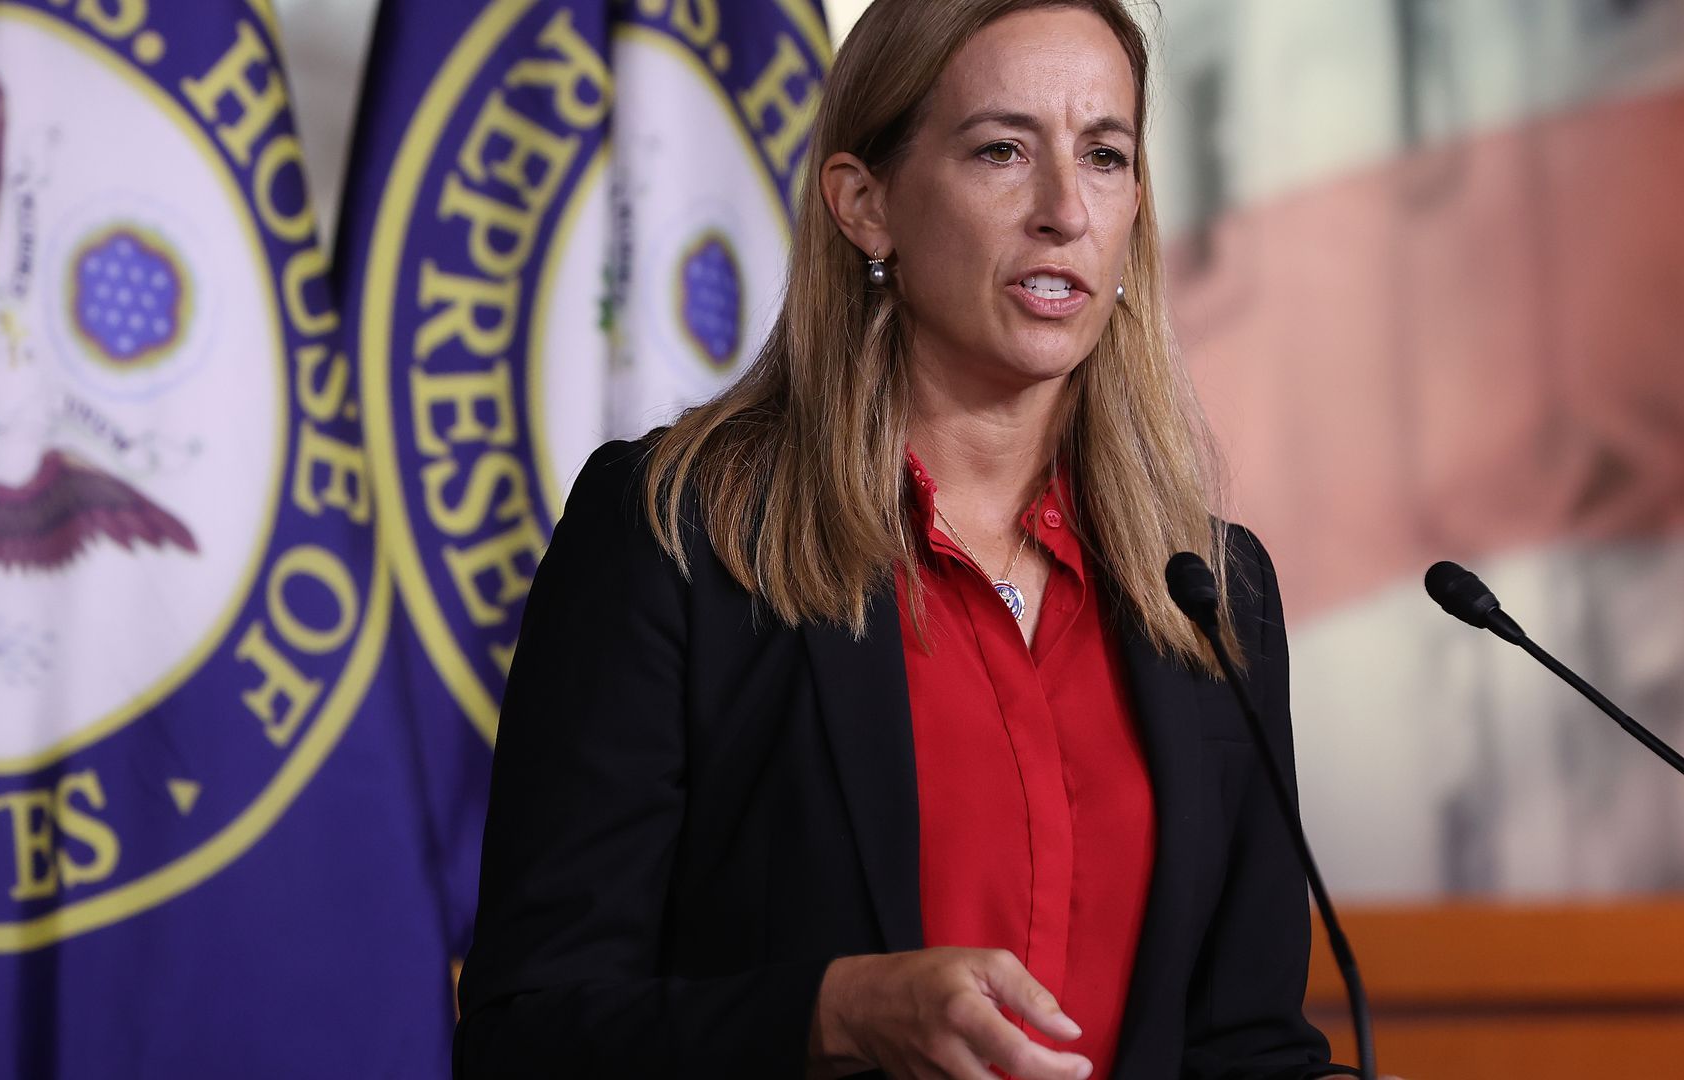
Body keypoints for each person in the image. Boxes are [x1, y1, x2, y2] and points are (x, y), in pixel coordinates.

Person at [454, 1, 1352, 1077]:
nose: (1065, 209)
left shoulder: (1211, 587)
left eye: (1104, 156)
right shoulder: (677, 536)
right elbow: (528, 1033)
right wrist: (832, 1013)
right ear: (865, 202)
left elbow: (1246, 1045)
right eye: (1003, 151)